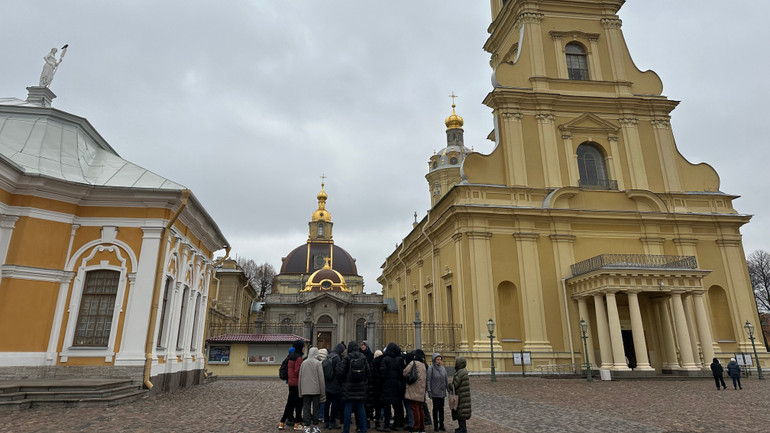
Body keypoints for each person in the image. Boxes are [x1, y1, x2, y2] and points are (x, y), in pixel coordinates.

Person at [338, 340, 370, 433]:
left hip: (348, 387)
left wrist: (343, 381)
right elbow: (368, 372)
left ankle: (346, 430)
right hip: (361, 387)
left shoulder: (347, 357)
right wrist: (364, 381)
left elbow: (341, 372)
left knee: (347, 410)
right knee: (361, 409)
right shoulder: (363, 357)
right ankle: (363, 429)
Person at [379, 343, 405, 432]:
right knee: (397, 406)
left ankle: (386, 425)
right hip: (396, 386)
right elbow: (401, 374)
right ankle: (396, 424)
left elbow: (383, 373)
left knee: (387, 407)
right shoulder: (400, 360)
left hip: (387, 386)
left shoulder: (385, 359)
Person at [299, 347, 326, 433]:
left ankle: (307, 426)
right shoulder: (318, 363)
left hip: (305, 390)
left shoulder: (303, 363)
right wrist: (323, 392)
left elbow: (300, 378)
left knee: (306, 408)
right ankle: (315, 426)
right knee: (316, 409)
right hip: (316, 390)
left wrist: (300, 391)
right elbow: (321, 378)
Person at [280, 340, 305, 430]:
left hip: (291, 382)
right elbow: (298, 371)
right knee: (299, 403)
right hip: (297, 383)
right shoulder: (299, 357)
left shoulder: (291, 356)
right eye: (303, 346)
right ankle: (297, 423)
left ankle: (282, 422)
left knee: (290, 403)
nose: (304, 348)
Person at [404, 349, 427, 433]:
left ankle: (416, 427)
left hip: (414, 389)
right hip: (421, 389)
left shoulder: (413, 363)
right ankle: (422, 427)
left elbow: (405, 372)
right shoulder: (423, 365)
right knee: (421, 408)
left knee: (415, 409)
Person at [325, 342, 346, 430]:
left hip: (327, 383)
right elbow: (339, 372)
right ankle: (332, 421)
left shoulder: (329, 356)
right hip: (335, 384)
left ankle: (326, 421)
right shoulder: (337, 358)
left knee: (327, 403)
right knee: (334, 404)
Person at [427, 353, 448, 431]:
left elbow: (446, 379)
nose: (439, 361)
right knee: (435, 409)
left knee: (441, 409)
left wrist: (448, 389)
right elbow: (428, 380)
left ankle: (441, 424)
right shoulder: (431, 368)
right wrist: (429, 390)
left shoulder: (443, 369)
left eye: (440, 359)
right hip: (435, 392)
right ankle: (436, 425)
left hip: (442, 392)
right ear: (434, 360)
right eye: (437, 359)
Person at [451, 357, 471, 433]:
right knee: (461, 412)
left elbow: (455, 384)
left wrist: (449, 385)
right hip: (463, 395)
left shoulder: (461, 372)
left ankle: (463, 429)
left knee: (461, 412)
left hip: (462, 396)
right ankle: (461, 427)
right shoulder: (463, 371)